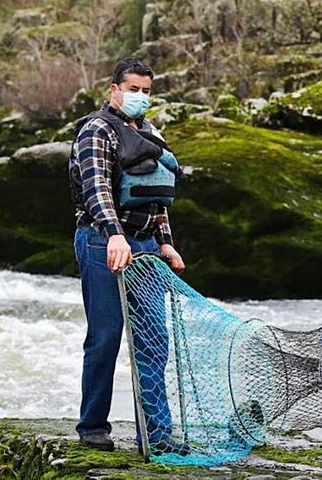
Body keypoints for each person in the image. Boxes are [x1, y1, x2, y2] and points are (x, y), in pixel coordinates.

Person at [68, 58, 186, 453]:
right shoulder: (95, 131)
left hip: (147, 245)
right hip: (103, 242)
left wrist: (164, 240)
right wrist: (115, 234)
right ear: (113, 89)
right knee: (106, 336)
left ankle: (156, 433)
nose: (140, 97)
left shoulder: (150, 133)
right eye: (133, 89)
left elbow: (157, 193)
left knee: (154, 337)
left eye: (147, 91)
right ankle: (93, 427)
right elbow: (97, 189)